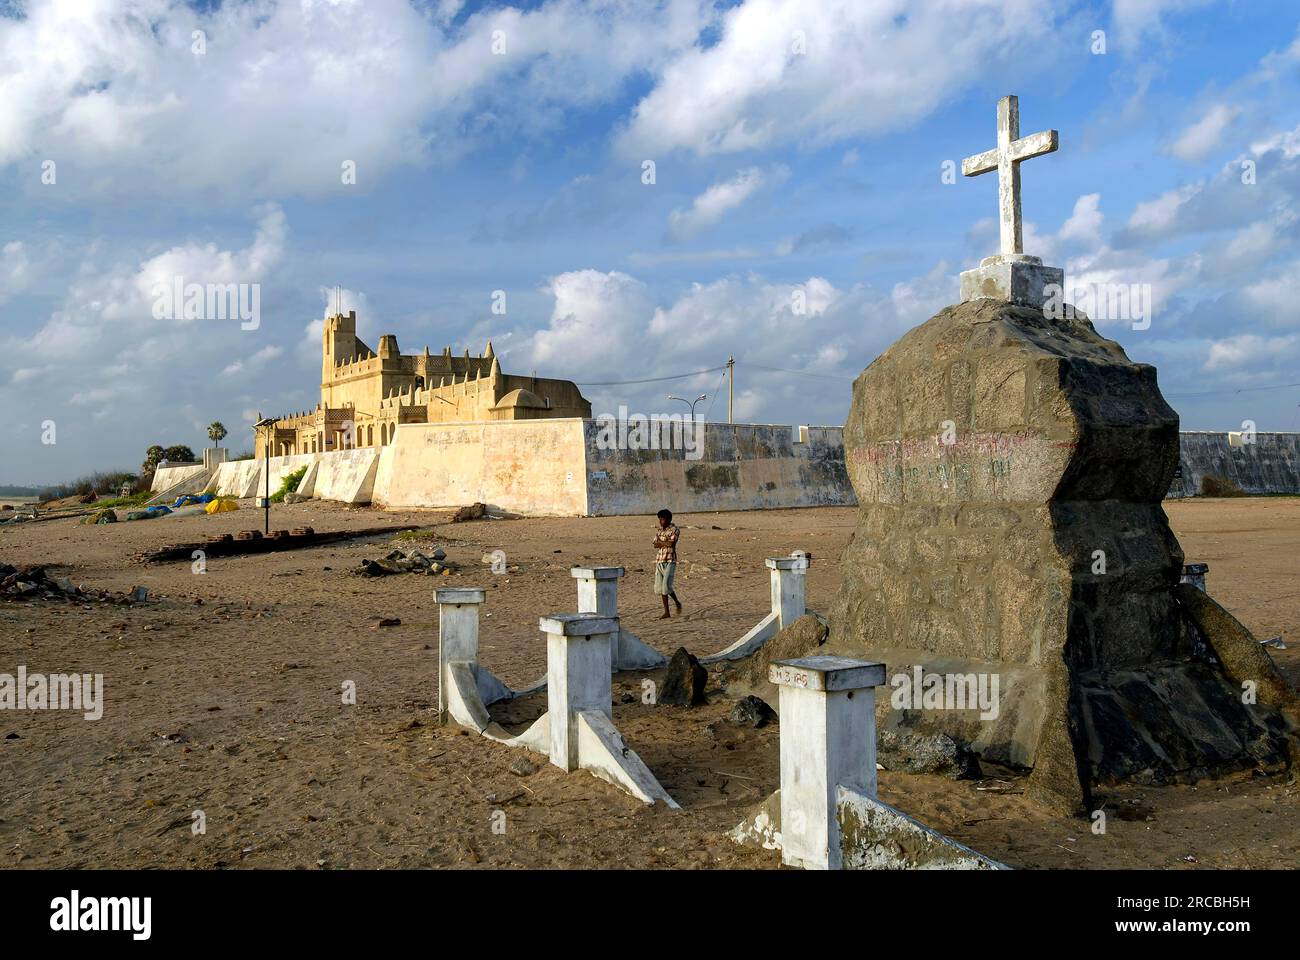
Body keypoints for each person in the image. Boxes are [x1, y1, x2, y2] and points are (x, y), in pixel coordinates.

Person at [653, 508, 682, 619]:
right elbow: (655, 544)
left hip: (670, 560)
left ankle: (676, 602)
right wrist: (664, 542)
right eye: (660, 519)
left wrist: (661, 542)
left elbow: (671, 544)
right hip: (660, 560)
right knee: (661, 587)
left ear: (669, 519)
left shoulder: (675, 529)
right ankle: (667, 612)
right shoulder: (660, 530)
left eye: (663, 519)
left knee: (666, 586)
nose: (661, 521)